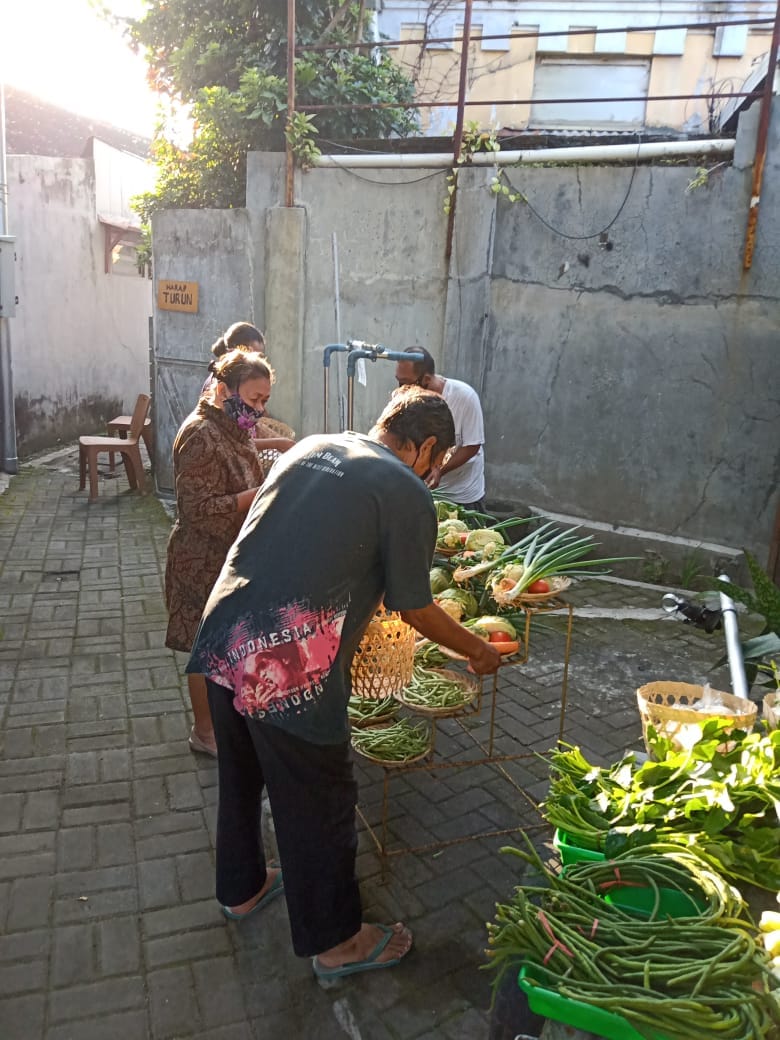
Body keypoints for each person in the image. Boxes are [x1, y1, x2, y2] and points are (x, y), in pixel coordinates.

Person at [187, 387, 501, 977]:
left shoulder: (311, 445)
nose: (433, 474)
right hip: (285, 663)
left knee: (241, 776)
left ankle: (243, 888)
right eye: (436, 462)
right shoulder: (406, 489)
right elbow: (415, 607)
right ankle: (337, 943)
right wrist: (477, 649)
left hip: (224, 630)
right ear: (427, 448)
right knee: (322, 800)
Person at [165, 349, 273, 758]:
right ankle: (204, 732)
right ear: (225, 390)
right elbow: (196, 509)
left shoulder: (233, 427)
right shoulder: (200, 434)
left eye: (265, 400)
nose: (260, 410)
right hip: (200, 559)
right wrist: (257, 495)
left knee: (227, 644)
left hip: (230, 555)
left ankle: (226, 721)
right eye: (254, 399)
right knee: (204, 648)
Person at [395, 346, 486, 511]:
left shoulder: (464, 397)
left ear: (426, 379)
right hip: (426, 492)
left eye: (406, 383)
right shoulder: (406, 399)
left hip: (462, 494)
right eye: (398, 381)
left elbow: (472, 446)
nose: (401, 389)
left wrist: (439, 470)